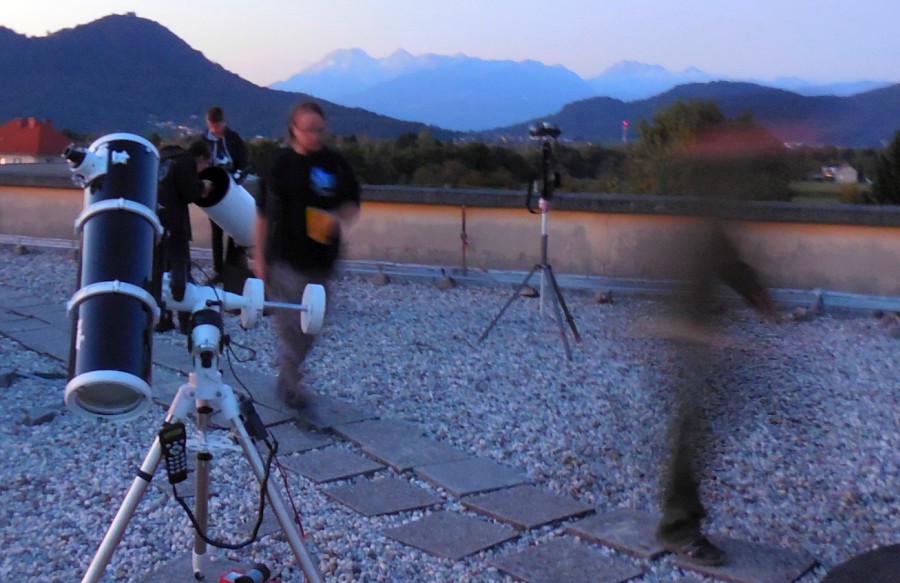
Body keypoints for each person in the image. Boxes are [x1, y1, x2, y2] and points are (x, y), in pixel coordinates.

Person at [651, 124, 780, 567]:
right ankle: (678, 529)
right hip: (689, 338)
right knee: (689, 434)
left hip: (696, 336)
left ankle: (681, 522)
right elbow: (718, 261)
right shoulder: (703, 209)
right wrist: (757, 300)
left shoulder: (707, 210)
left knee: (693, 432)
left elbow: (726, 262)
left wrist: (756, 298)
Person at [253, 101, 361, 409]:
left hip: (322, 261)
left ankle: (288, 377)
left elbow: (352, 204)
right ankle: (290, 386)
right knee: (293, 326)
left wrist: (337, 218)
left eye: (319, 129)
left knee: (312, 326)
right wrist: (258, 258)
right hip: (285, 260)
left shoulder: (334, 164)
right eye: (309, 130)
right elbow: (261, 215)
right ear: (294, 130)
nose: (315, 135)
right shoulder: (280, 165)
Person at [154, 140, 212, 333]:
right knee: (180, 269)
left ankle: (162, 318)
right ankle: (186, 320)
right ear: (201, 158)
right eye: (205, 165)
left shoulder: (161, 158)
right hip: (175, 223)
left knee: (159, 271)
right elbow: (189, 194)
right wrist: (202, 187)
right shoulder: (185, 160)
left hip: (155, 220)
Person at [201, 106, 251, 286]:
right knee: (216, 232)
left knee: (233, 232)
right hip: (214, 193)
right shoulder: (204, 141)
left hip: (232, 192)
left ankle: (233, 270)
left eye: (217, 125)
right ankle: (218, 271)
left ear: (223, 122)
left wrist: (238, 176)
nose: (214, 129)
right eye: (211, 126)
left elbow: (244, 163)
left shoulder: (233, 140)